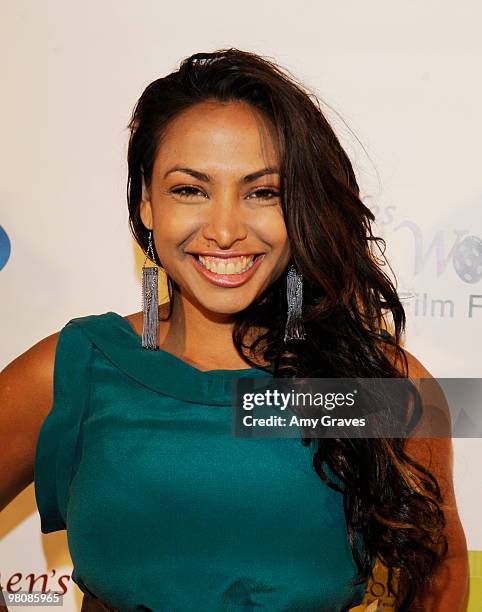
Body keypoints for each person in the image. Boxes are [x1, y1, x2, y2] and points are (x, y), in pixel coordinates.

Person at [0, 48, 468, 612]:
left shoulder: (375, 388)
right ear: (147, 203)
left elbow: (440, 568)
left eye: (262, 192)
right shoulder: (73, 371)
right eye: (189, 189)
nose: (225, 230)